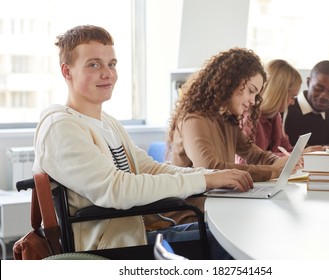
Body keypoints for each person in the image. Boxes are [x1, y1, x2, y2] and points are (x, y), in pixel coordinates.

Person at [32, 25, 253, 259]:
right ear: (67, 71)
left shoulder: (107, 122)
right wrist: (204, 180)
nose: (107, 73)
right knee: (236, 247)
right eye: (94, 64)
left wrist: (211, 177)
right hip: (111, 250)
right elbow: (116, 190)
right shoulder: (61, 127)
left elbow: (151, 169)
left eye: (112, 64)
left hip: (136, 235)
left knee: (238, 232)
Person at [167, 48, 291, 182]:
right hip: (194, 201)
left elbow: (255, 155)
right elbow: (210, 168)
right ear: (230, 82)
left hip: (218, 199)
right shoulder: (193, 119)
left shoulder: (227, 119)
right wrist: (271, 171)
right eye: (250, 91)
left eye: (256, 95)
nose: (253, 101)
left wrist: (282, 163)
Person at [242, 59, 326, 158]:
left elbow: (286, 149)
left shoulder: (276, 117)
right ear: (279, 94)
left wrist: (304, 153)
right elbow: (251, 160)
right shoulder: (249, 119)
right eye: (292, 97)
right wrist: (297, 155)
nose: (293, 102)